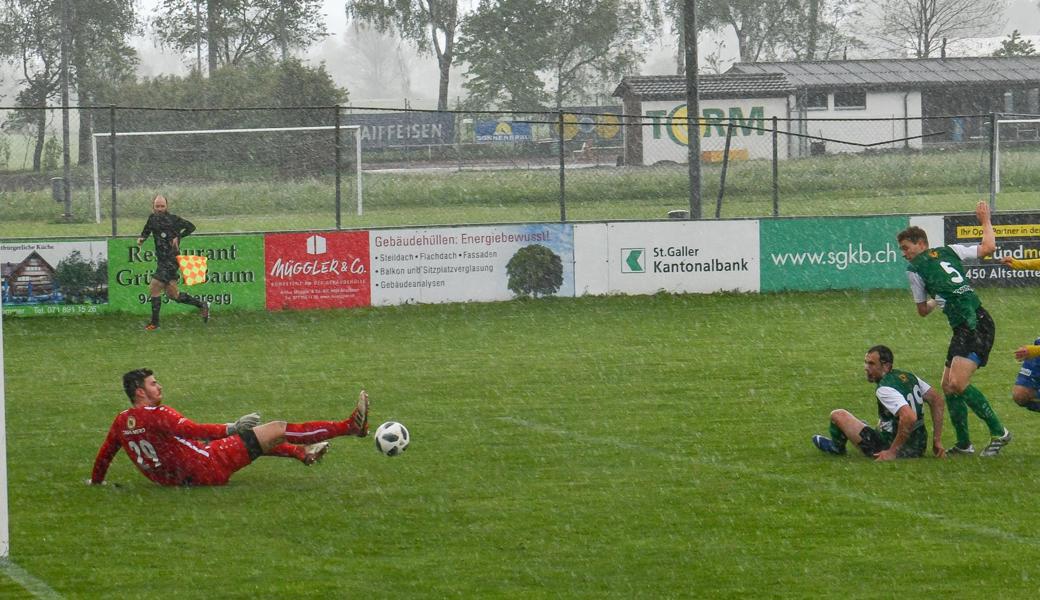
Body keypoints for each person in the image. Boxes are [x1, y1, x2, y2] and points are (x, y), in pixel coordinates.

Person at [88, 368, 370, 486]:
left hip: (179, 477)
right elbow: (195, 430)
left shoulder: (122, 420)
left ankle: (302, 454)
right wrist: (231, 427)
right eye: (153, 383)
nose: (159, 386)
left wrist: (96, 482)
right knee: (277, 428)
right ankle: (350, 427)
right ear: (140, 392)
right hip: (207, 466)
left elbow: (105, 454)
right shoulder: (158, 414)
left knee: (253, 441)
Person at [895, 200, 1010, 456]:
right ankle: (964, 444)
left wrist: (936, 299)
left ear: (921, 244)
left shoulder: (914, 269)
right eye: (902, 249)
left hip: (973, 324)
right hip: (973, 321)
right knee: (947, 385)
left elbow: (922, 310)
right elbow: (989, 247)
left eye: (906, 248)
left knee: (956, 383)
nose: (904, 253)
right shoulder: (950, 250)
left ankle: (999, 432)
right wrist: (985, 220)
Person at [812, 345, 946, 460]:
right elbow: (937, 400)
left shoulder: (884, 389)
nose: (866, 367)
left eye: (871, 364)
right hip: (918, 446)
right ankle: (866, 429)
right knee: (881, 421)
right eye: (865, 362)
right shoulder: (908, 376)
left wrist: (892, 452)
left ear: (886, 366)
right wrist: (937, 441)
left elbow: (909, 417)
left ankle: (837, 448)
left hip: (894, 448)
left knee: (838, 415)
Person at [137, 194, 209, 331]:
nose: (159, 209)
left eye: (162, 206)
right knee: (173, 295)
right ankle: (202, 305)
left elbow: (191, 227)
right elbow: (147, 229)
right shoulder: (152, 218)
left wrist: (178, 236)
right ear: (153, 207)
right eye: (157, 206)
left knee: (154, 287)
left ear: (167, 206)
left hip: (171, 259)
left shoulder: (174, 219)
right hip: (161, 259)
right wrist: (142, 238)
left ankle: (155, 323)